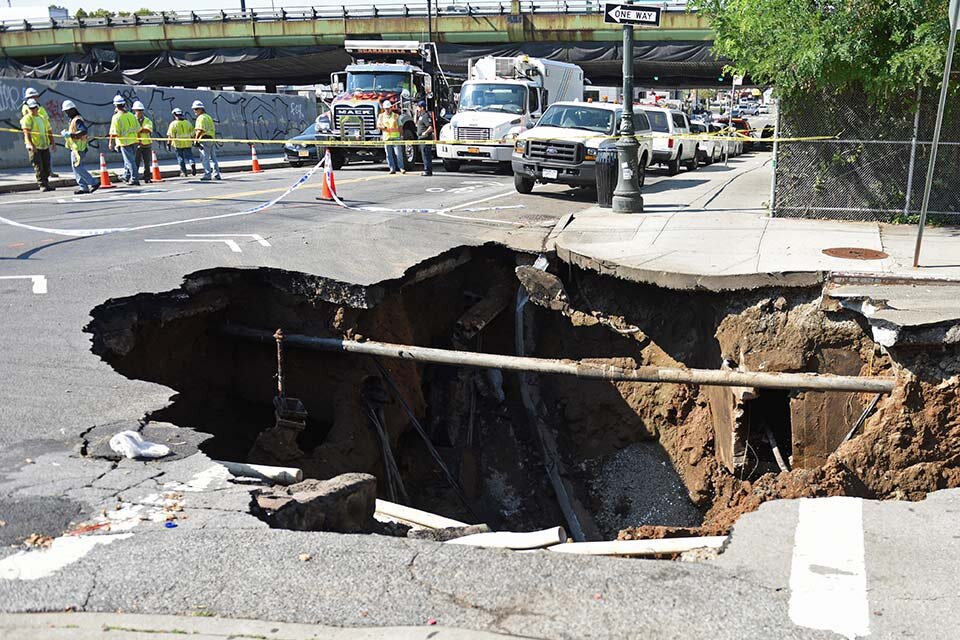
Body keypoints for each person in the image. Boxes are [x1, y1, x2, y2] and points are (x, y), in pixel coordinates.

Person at [60, 100, 98, 195]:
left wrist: (71, 135)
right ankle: (83, 187)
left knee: (78, 167)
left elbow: (84, 131)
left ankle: (93, 182)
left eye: (67, 111)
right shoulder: (74, 120)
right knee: (76, 167)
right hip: (76, 148)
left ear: (72, 110)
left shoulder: (77, 120)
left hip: (79, 148)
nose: (66, 113)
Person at [22, 87, 59, 178]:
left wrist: (51, 140)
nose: (37, 97)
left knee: (45, 161)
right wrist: (31, 144)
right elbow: (28, 127)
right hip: (35, 141)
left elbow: (45, 120)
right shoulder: (27, 108)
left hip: (43, 139)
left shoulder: (39, 106)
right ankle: (43, 183)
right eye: (35, 96)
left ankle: (48, 174)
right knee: (39, 165)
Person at [20, 98, 55, 192]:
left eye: (34, 107)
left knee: (47, 167)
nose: (33, 109)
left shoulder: (42, 118)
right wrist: (31, 145)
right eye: (31, 108)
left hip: (44, 145)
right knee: (39, 167)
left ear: (37, 107)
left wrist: (53, 143)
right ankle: (42, 185)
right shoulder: (27, 119)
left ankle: (46, 183)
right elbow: (26, 133)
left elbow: (49, 131)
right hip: (35, 147)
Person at [108, 95, 141, 186]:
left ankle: (134, 179)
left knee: (130, 161)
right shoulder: (131, 115)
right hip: (133, 140)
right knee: (130, 160)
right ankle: (126, 176)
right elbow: (138, 128)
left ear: (115, 105)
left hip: (125, 142)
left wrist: (111, 143)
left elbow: (114, 132)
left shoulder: (116, 117)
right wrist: (138, 139)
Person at [192, 100, 221, 181]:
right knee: (213, 158)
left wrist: (196, 140)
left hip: (204, 140)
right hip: (211, 139)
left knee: (205, 158)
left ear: (201, 109)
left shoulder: (200, 118)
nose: (194, 111)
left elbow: (199, 130)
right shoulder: (208, 117)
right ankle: (216, 174)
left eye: (196, 109)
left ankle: (207, 174)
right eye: (194, 109)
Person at [166, 108, 196, 177]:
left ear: (174, 115)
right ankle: (192, 164)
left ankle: (184, 172)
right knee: (189, 156)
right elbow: (193, 134)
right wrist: (194, 141)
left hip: (178, 144)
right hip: (188, 143)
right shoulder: (188, 123)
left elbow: (170, 136)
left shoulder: (173, 124)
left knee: (180, 158)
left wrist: (168, 144)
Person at [377, 100, 405, 174]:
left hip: (396, 137)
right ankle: (392, 168)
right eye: (386, 108)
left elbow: (400, 126)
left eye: (388, 108)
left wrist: (401, 135)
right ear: (384, 108)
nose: (387, 110)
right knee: (389, 155)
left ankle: (401, 168)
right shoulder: (381, 116)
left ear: (391, 108)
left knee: (398, 154)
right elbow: (378, 125)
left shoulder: (396, 116)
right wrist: (383, 127)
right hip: (387, 138)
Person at [131, 101, 154, 184]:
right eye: (137, 110)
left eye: (140, 110)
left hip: (146, 144)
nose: (139, 112)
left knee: (147, 163)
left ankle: (147, 177)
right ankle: (135, 178)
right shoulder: (132, 119)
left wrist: (138, 129)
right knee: (135, 162)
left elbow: (148, 130)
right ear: (134, 111)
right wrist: (140, 130)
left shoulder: (147, 120)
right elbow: (132, 130)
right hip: (136, 144)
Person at [414, 101, 434, 176]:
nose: (417, 108)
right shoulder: (420, 116)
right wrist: (416, 113)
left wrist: (425, 132)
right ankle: (427, 170)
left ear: (422, 108)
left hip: (425, 139)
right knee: (424, 155)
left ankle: (428, 171)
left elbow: (430, 127)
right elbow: (415, 122)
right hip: (421, 139)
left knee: (426, 155)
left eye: (418, 107)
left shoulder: (425, 116)